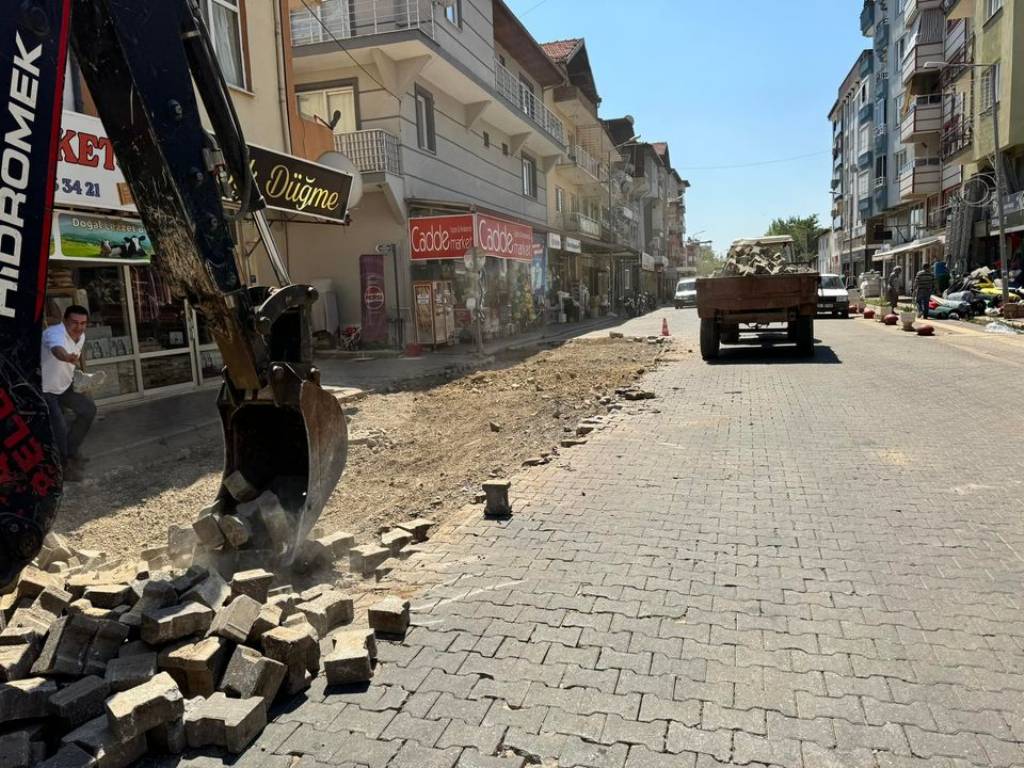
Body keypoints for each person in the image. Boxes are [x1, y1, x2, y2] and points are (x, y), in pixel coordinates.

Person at [42, 305, 96, 481]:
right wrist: (66, 357)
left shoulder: (81, 337)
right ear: (65, 321)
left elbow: (72, 363)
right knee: (60, 428)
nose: (79, 327)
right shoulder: (53, 333)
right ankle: (62, 468)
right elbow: (57, 349)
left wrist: (81, 378)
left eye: (83, 323)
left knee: (88, 410)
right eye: (74, 323)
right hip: (45, 389)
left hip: (65, 387)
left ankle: (71, 453)